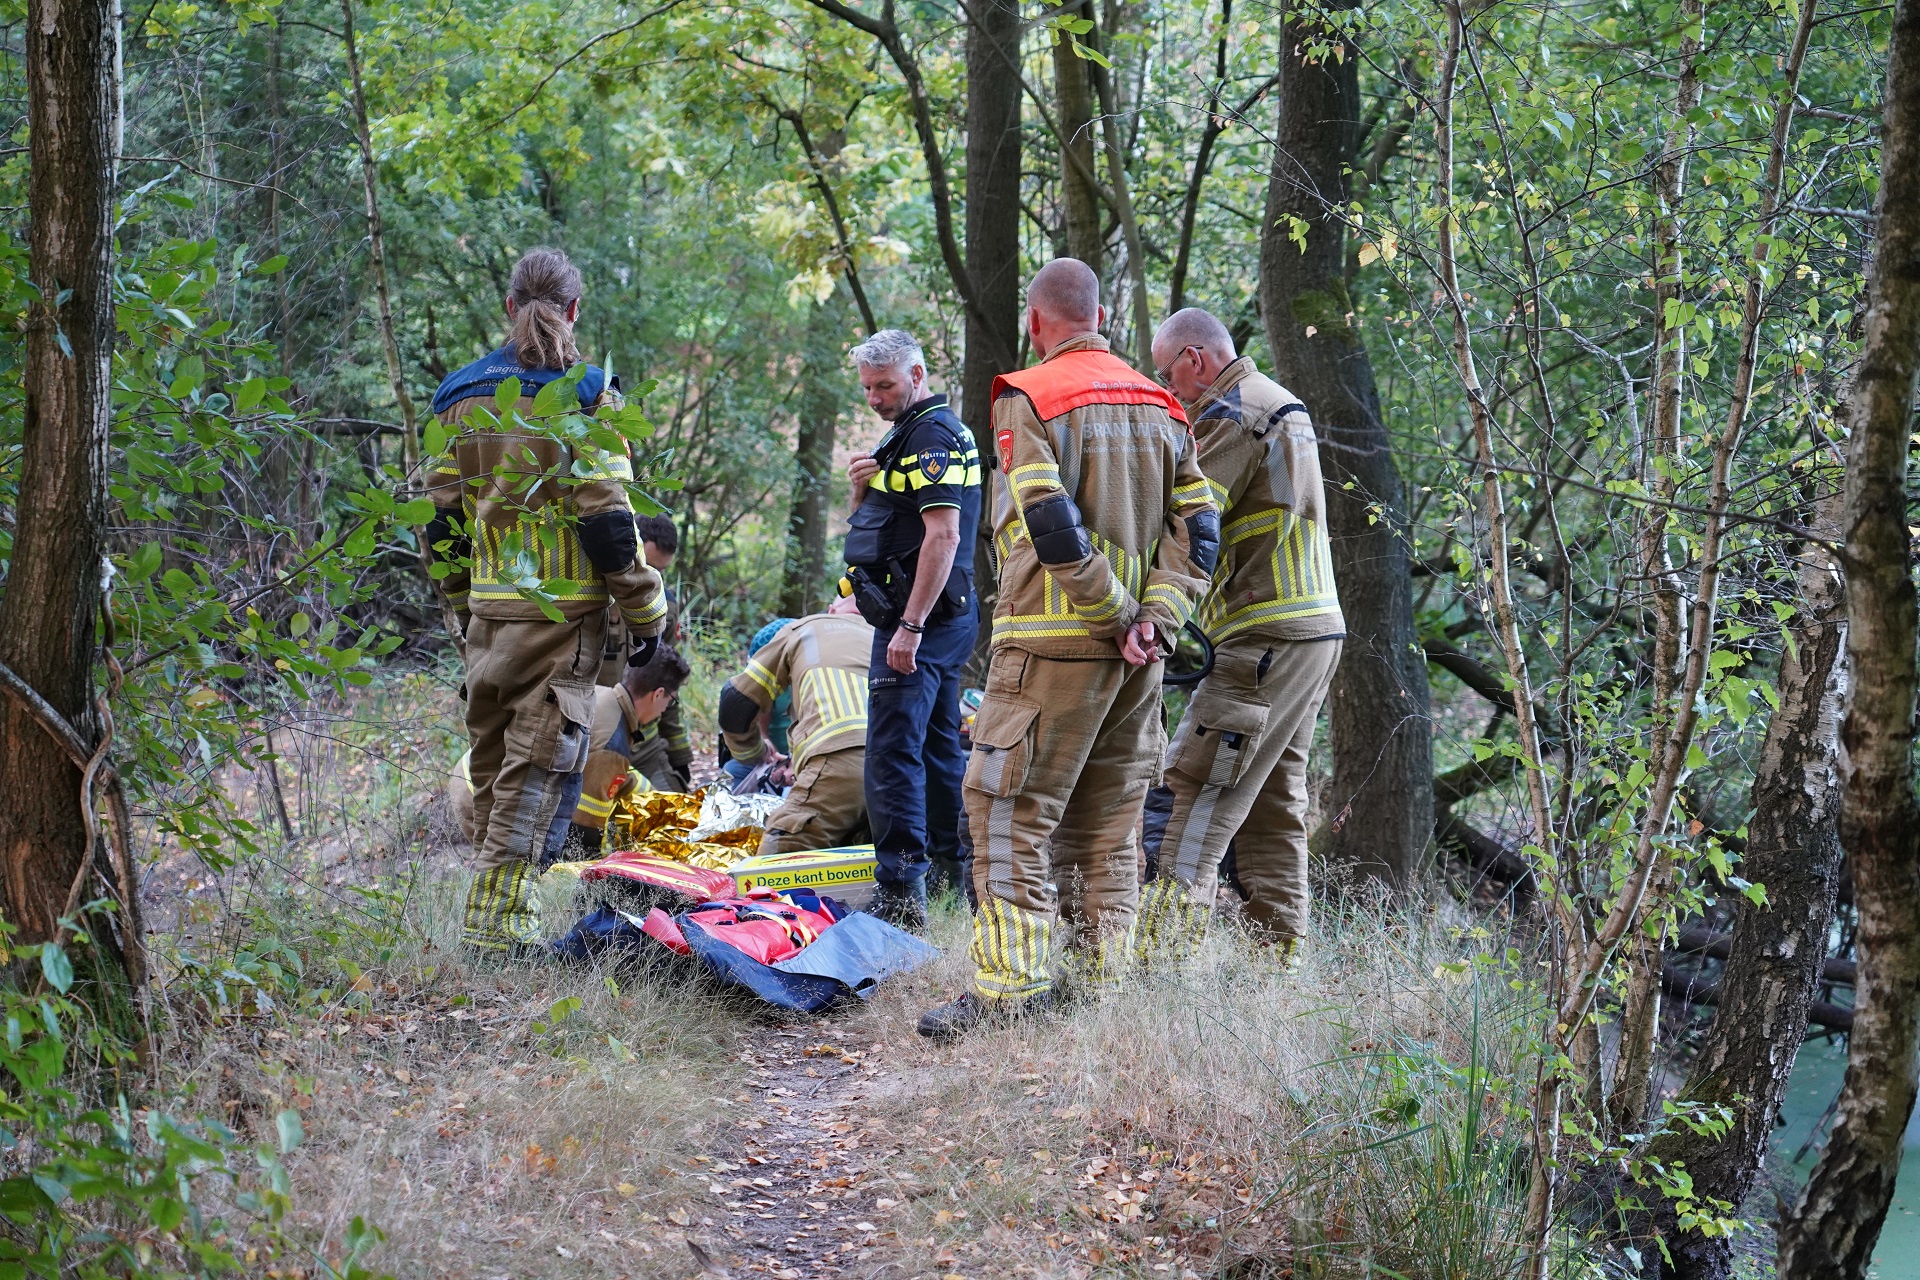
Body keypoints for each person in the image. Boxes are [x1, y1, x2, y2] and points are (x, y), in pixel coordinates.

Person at [917, 259, 1218, 1040]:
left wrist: (1115, 612)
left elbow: (1047, 519)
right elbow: (1200, 530)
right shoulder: (1164, 404)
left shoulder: (1030, 395)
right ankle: (1095, 990)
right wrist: (1157, 619)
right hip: (1138, 663)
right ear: (1103, 317)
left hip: (1049, 650)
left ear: (1034, 321)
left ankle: (1008, 994)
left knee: (1005, 809)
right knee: (1108, 825)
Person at [424, 246, 667, 959]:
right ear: (574, 310)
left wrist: (462, 603)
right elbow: (608, 520)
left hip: (488, 617)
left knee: (495, 763)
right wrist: (646, 613)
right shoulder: (588, 394)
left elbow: (440, 522)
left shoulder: (457, 397)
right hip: (562, 620)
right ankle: (498, 933)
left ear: (509, 307)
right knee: (535, 771)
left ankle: (497, 918)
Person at [1135, 307, 1344, 961]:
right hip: (1312, 633)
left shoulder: (1233, 412)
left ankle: (1161, 969)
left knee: (1194, 795)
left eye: (1168, 375)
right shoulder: (1278, 402)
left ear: (1196, 358)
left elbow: (1188, 519)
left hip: (1265, 639)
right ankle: (1275, 969)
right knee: (1275, 805)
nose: (1169, 391)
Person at [842, 329, 982, 926]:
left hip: (923, 620)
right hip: (940, 614)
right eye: (867, 388)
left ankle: (901, 894)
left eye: (885, 385)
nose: (875, 397)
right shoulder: (908, 431)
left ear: (918, 375)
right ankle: (950, 879)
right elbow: (879, 525)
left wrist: (910, 626)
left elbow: (943, 536)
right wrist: (859, 489)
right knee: (937, 745)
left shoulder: (930, 437)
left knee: (892, 751)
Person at [718, 596, 875, 855]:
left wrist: (754, 754)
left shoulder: (806, 629)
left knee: (776, 862)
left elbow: (736, 702)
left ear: (831, 610)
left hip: (843, 765)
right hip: (906, 771)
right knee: (886, 862)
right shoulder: (897, 640)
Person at [562, 644, 691, 855]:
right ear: (658, 694)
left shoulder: (604, 696)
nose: (664, 709)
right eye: (670, 700)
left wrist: (655, 799)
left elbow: (618, 774)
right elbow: (584, 831)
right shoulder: (613, 744)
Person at [623, 513, 694, 791]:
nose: (653, 580)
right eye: (648, 567)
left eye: (660, 572)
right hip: (591, 737)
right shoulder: (593, 598)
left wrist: (680, 756)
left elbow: (669, 680)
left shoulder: (667, 605)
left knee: (676, 805)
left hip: (644, 744)